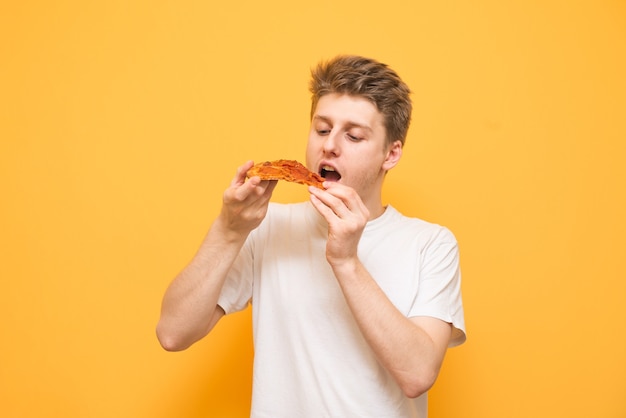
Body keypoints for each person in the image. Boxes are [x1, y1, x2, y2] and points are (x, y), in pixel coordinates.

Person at [156, 55, 466, 418]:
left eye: (353, 135)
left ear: (391, 154)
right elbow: (173, 333)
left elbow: (417, 374)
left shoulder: (430, 244)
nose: (330, 145)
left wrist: (346, 261)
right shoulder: (268, 226)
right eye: (322, 129)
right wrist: (228, 230)